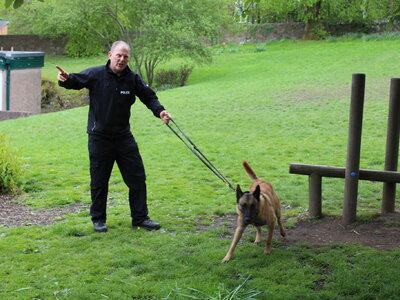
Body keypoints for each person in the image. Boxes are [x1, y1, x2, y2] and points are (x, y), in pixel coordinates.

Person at [56, 41, 170, 233]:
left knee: (137, 178)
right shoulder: (96, 74)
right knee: (99, 181)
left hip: (123, 137)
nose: (122, 59)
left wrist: (160, 112)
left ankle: (140, 218)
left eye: (125, 56)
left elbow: (149, 97)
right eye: (119, 55)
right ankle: (98, 219)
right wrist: (65, 79)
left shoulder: (132, 79)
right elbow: (75, 81)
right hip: (99, 137)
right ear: (110, 55)